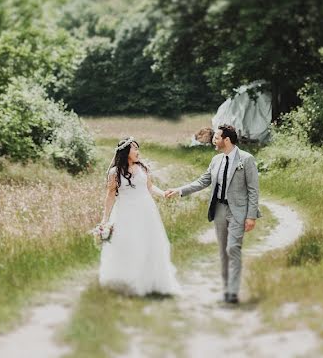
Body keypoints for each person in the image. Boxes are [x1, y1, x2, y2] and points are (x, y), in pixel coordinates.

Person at [165, 124, 261, 304]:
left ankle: (233, 292)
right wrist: (179, 190)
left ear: (226, 140)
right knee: (223, 251)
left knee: (233, 248)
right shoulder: (216, 160)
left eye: (216, 137)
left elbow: (253, 190)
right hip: (219, 210)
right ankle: (227, 288)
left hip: (238, 211)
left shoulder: (246, 160)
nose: (213, 140)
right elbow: (203, 181)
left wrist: (251, 215)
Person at [98, 137, 179, 296]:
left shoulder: (144, 168)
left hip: (146, 212)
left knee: (149, 244)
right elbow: (110, 196)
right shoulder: (114, 173)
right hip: (125, 214)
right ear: (126, 151)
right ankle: (129, 281)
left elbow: (149, 187)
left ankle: (149, 281)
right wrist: (105, 219)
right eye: (134, 149)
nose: (137, 152)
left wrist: (163, 194)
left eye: (137, 148)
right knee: (129, 245)